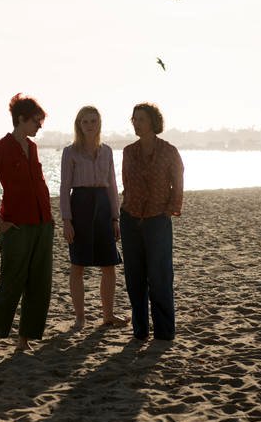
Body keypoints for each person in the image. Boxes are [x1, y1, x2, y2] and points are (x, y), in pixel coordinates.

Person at [0, 94, 54, 358]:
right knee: (10, 283)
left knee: (39, 284)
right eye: (36, 121)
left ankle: (23, 339)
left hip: (43, 224)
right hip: (16, 227)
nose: (39, 126)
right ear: (21, 119)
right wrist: (0, 223)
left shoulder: (33, 148)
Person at [119, 102, 184, 343]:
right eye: (134, 119)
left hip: (158, 219)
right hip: (131, 218)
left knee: (160, 277)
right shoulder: (128, 151)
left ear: (153, 122)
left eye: (141, 119)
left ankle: (164, 332)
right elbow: (126, 183)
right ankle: (140, 330)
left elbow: (178, 183)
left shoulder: (169, 151)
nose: (136, 123)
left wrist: (170, 210)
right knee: (134, 277)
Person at [60, 106, 129, 330]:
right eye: (85, 122)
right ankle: (80, 317)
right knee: (77, 264)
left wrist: (115, 218)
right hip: (79, 205)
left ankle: (108, 315)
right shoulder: (70, 152)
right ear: (79, 125)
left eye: (93, 121)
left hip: (103, 207)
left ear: (99, 123)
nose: (90, 125)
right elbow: (64, 188)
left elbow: (113, 185)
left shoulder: (107, 151)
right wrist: (66, 220)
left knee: (109, 264)